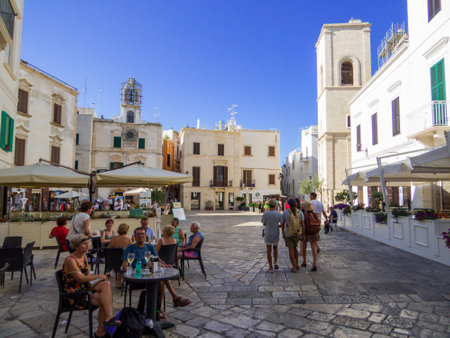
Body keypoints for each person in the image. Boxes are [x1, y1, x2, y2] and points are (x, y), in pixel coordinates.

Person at [121, 228, 190, 318]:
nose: (140, 236)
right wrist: (139, 268)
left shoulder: (149, 247)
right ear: (134, 236)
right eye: (138, 234)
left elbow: (158, 259)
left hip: (149, 276)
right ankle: (165, 305)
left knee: (161, 279)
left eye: (142, 234)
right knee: (160, 281)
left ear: (145, 236)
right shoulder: (130, 248)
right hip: (137, 278)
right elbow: (124, 266)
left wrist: (164, 265)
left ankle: (159, 308)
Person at [63, 235, 120, 337]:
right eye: (84, 244)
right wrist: (99, 276)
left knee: (106, 284)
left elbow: (88, 276)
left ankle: (108, 320)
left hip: (85, 288)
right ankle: (100, 332)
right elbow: (80, 279)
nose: (87, 245)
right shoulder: (70, 260)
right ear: (76, 246)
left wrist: (99, 279)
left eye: (87, 243)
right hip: (75, 294)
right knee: (104, 300)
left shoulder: (84, 256)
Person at [282, 198, 304, 273]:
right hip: (297, 233)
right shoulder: (300, 213)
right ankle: (297, 263)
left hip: (288, 234)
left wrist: (283, 233)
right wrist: (303, 234)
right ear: (296, 204)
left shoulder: (285, 212)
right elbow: (303, 224)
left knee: (290, 250)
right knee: (295, 249)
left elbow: (282, 223)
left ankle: (294, 267)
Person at [261, 199, 283, 273]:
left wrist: (264, 230)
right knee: (275, 248)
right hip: (276, 233)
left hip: (268, 233)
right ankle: (275, 262)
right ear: (275, 205)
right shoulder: (278, 214)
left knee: (268, 250)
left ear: (269, 205)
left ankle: (270, 267)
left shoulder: (265, 214)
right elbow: (282, 223)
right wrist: (278, 226)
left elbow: (264, 223)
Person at [108, 223, 132, 288]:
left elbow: (108, 249)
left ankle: (118, 281)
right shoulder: (128, 239)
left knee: (121, 258)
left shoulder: (113, 239)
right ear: (126, 230)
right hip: (122, 264)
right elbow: (133, 250)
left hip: (112, 263)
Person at [301, 200, 321, 271]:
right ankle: (314, 264)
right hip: (314, 232)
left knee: (304, 247)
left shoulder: (303, 215)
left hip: (306, 232)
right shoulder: (315, 214)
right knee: (314, 247)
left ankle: (304, 261)